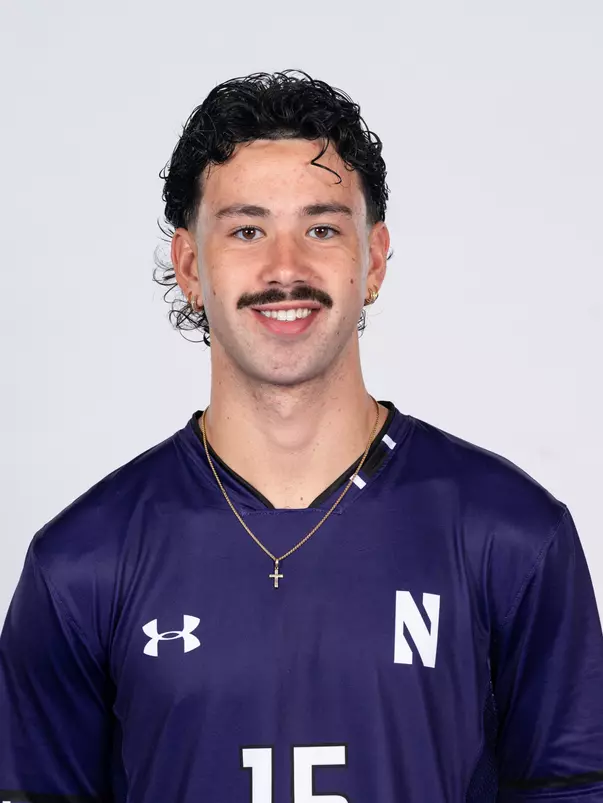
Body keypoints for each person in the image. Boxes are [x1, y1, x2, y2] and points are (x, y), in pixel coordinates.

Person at [1, 69, 602, 803]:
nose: (284, 269)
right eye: (246, 230)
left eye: (321, 227)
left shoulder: (509, 535)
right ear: (190, 266)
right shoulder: (81, 563)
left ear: (372, 260)